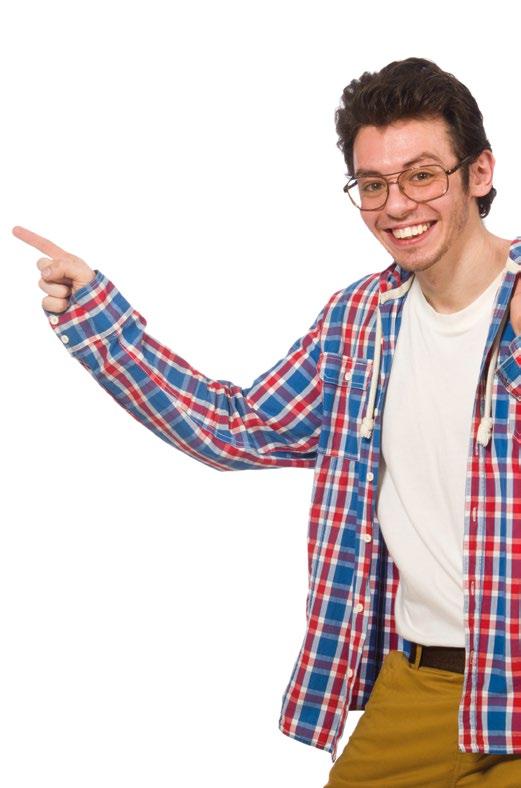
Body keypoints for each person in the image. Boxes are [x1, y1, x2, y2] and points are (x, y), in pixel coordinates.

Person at [13, 56, 521, 786]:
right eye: (372, 185)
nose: (396, 205)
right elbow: (237, 427)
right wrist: (99, 316)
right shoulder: (358, 323)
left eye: (421, 176)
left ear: (478, 173)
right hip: (425, 685)